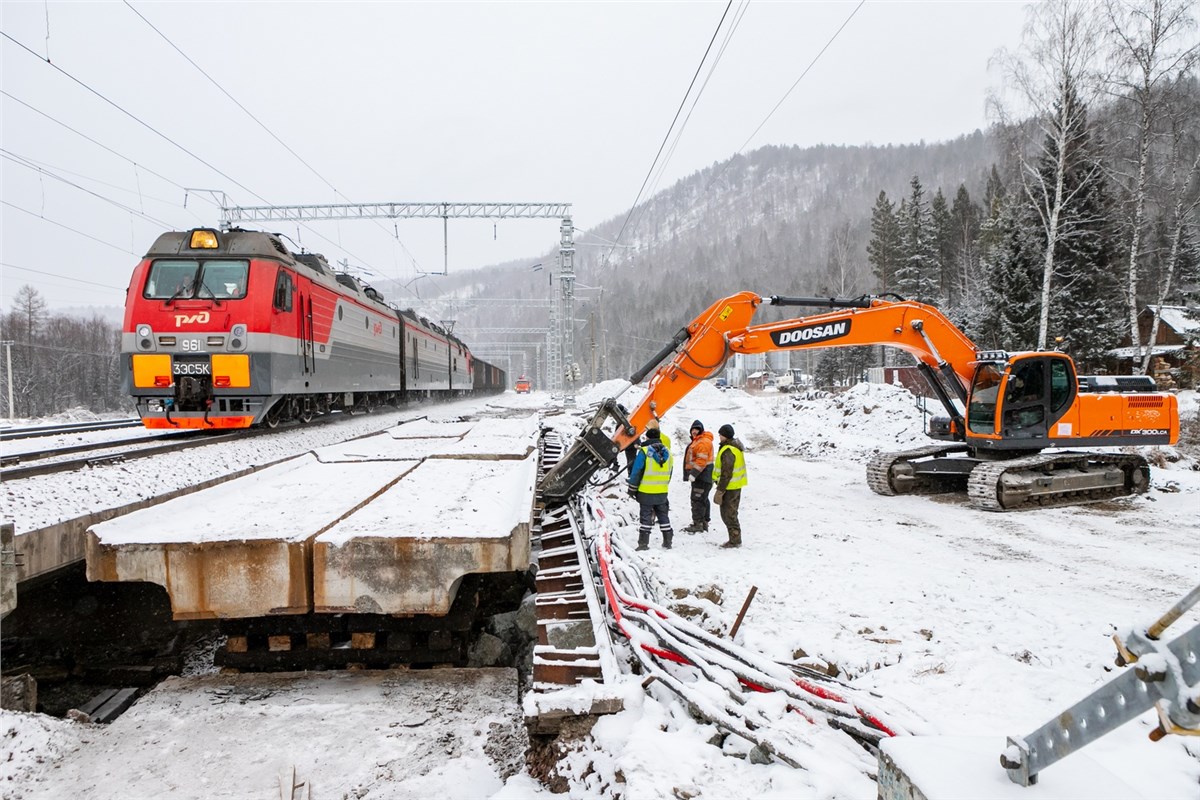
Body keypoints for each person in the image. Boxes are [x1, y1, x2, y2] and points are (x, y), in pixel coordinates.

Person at [627, 427, 674, 551]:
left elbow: (637, 471)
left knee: (646, 517)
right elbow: (670, 472)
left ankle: (643, 544)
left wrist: (632, 488)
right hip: (662, 491)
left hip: (646, 491)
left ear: (647, 438)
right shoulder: (668, 453)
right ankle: (668, 541)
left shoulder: (644, 451)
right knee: (663, 516)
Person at [712, 423, 748, 548]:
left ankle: (735, 540)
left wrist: (720, 490)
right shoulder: (733, 447)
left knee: (728, 514)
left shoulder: (728, 450)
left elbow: (726, 472)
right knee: (731, 512)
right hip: (734, 486)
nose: (719, 437)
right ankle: (734, 538)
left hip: (729, 487)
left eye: (720, 434)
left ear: (725, 436)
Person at [682, 420, 714, 533]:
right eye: (692, 429)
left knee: (697, 500)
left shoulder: (702, 442)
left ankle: (698, 524)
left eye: (696, 429)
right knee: (703, 499)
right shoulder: (700, 441)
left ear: (701, 430)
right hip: (703, 476)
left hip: (701, 476)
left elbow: (701, 460)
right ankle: (704, 522)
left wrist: (694, 474)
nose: (694, 431)